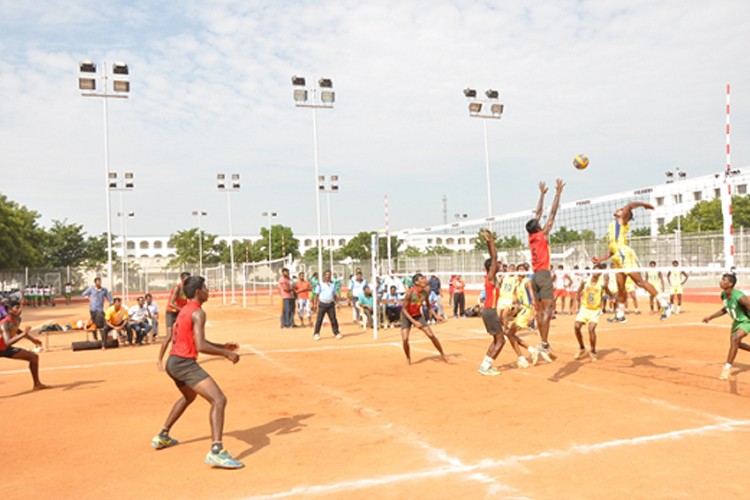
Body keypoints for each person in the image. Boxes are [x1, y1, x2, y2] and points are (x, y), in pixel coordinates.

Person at [153, 276, 243, 469]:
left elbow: (194, 340)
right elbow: (201, 346)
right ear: (197, 292)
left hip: (173, 362)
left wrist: (221, 345)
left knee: (188, 397)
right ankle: (216, 451)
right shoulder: (198, 313)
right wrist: (226, 354)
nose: (208, 291)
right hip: (184, 363)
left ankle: (163, 435)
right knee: (219, 400)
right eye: (205, 288)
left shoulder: (185, 309)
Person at [593, 201, 672, 323]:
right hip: (617, 256)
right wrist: (600, 259)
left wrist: (644, 205)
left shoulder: (622, 221)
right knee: (620, 287)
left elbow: (629, 205)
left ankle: (665, 303)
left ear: (625, 215)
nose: (620, 209)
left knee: (639, 282)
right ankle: (620, 314)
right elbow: (612, 249)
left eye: (621, 209)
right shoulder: (612, 225)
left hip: (625, 255)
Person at [525, 179, 565, 362]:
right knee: (548, 310)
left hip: (534, 276)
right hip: (543, 275)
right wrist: (557, 194)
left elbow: (539, 213)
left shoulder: (531, 237)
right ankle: (543, 342)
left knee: (541, 312)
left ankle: (544, 343)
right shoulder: (542, 235)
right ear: (538, 227)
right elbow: (552, 214)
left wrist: (541, 195)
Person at [702, 273, 750, 380]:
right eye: (721, 279)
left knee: (735, 339)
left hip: (747, 321)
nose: (721, 281)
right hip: (736, 323)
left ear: (731, 283)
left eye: (724, 280)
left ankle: (726, 369)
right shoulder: (723, 295)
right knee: (736, 344)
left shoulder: (740, 297)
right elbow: (725, 309)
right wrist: (710, 317)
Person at [477, 229, 509, 376]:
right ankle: (486, 366)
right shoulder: (490, 275)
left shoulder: (492, 278)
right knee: (501, 341)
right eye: (497, 265)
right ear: (492, 267)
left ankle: (485, 365)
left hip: (488, 311)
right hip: (489, 311)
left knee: (497, 339)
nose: (500, 266)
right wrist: (491, 242)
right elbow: (494, 256)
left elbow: (494, 258)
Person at [0, 299, 48, 390]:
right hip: (5, 346)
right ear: (10, 310)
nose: (20, 309)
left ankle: (37, 384)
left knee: (33, 357)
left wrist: (32, 339)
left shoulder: (17, 319)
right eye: (17, 307)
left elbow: (17, 330)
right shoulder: (4, 323)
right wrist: (23, 335)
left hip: (5, 349)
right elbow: (7, 342)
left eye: (20, 307)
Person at [400, 273, 447, 365]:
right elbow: (404, 309)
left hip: (417, 315)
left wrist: (436, 315)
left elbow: (429, 306)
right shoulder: (410, 293)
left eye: (424, 278)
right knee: (405, 339)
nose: (425, 280)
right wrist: (413, 322)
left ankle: (443, 354)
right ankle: (408, 358)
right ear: (416, 282)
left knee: (431, 335)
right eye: (422, 278)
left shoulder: (425, 293)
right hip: (407, 316)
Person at [573, 264, 607, 361]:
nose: (596, 271)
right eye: (595, 269)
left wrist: (612, 297)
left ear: (600, 273)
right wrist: (574, 304)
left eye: (598, 270)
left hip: (595, 310)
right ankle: (582, 347)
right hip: (584, 308)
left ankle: (593, 351)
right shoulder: (585, 281)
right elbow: (578, 292)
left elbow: (607, 293)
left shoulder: (602, 283)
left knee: (591, 329)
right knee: (576, 326)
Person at [312, 270, 342, 341]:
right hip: (322, 303)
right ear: (324, 276)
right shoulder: (320, 284)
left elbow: (335, 295)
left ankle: (336, 332)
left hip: (331, 304)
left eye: (329, 275)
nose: (328, 276)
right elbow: (316, 294)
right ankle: (316, 333)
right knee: (319, 319)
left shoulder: (333, 284)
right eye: (326, 275)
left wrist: (337, 303)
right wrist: (315, 304)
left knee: (333, 319)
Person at [82, 277, 113, 342]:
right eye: (98, 282)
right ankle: (95, 337)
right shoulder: (91, 289)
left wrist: (111, 303)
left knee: (103, 322)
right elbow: (84, 294)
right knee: (94, 323)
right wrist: (88, 298)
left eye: (100, 281)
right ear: (95, 282)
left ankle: (103, 337)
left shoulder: (104, 290)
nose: (99, 283)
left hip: (100, 309)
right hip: (93, 309)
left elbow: (109, 298)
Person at [166, 272, 191, 340]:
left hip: (180, 311)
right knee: (169, 336)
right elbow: (171, 304)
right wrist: (183, 309)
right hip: (171, 311)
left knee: (182, 332)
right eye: (187, 279)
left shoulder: (188, 288)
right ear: (182, 279)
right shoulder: (178, 288)